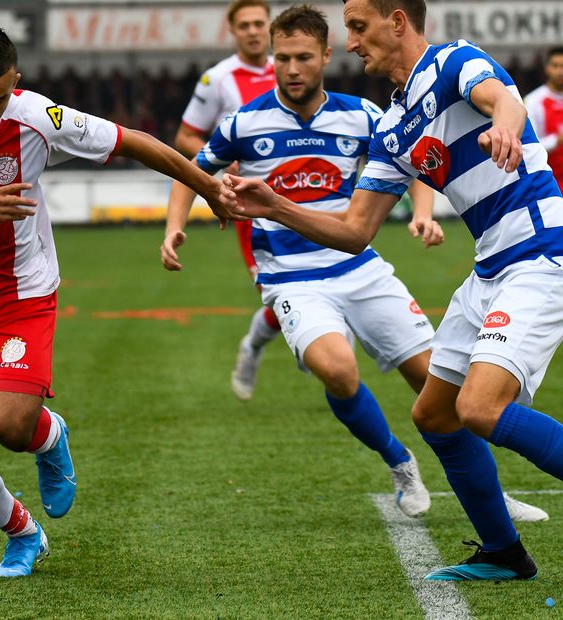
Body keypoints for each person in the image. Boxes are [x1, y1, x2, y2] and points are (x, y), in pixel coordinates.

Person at [163, 3, 547, 524]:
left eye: (356, 28)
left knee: (453, 396)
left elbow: (499, 100)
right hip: (298, 275)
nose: (350, 43)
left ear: (394, 22)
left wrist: (492, 138)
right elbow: (351, 226)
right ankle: (415, 474)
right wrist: (252, 209)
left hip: (482, 257)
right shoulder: (278, 123)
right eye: (283, 58)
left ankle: (491, 500)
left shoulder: (428, 78)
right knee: (381, 387)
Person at [0, 26, 227, 578]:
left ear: (15, 84)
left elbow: (133, 141)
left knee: (10, 426)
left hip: (20, 295)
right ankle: (23, 533)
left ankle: (50, 434)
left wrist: (206, 186)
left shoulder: (37, 117)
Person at [175, 0, 279, 401]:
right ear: (232, 30)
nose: (254, 31)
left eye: (259, 24)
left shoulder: (290, 69)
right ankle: (253, 347)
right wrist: (222, 156)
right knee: (276, 294)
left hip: (307, 197)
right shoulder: (216, 80)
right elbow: (185, 137)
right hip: (250, 205)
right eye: (245, 25)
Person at [525, 46, 563, 193]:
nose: (560, 71)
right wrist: (557, 140)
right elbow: (529, 146)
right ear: (547, 69)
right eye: (555, 66)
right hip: (549, 182)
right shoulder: (534, 101)